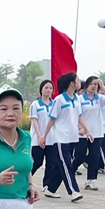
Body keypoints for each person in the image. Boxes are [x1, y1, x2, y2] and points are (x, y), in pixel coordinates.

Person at [40, 73, 92, 202]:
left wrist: (87, 130)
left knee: (60, 165)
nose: (80, 82)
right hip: (60, 137)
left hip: (73, 137)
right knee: (66, 164)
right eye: (78, 80)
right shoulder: (59, 100)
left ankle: (51, 189)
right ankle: (73, 191)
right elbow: (52, 119)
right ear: (72, 84)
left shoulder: (77, 99)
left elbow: (80, 116)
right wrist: (44, 136)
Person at [75, 76, 105, 192]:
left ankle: (91, 181)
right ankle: (69, 171)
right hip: (82, 133)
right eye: (92, 84)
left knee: (94, 157)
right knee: (80, 156)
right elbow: (77, 115)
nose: (94, 86)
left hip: (97, 132)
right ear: (87, 85)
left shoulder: (100, 98)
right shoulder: (79, 99)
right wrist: (80, 127)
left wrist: (103, 86)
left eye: (96, 84)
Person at [29, 79, 54, 177]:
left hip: (51, 138)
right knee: (37, 162)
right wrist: (40, 136)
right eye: (46, 88)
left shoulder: (55, 104)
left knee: (51, 163)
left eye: (51, 88)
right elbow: (34, 121)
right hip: (37, 139)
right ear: (41, 90)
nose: (48, 90)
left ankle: (47, 185)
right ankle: (25, 180)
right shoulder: (35, 104)